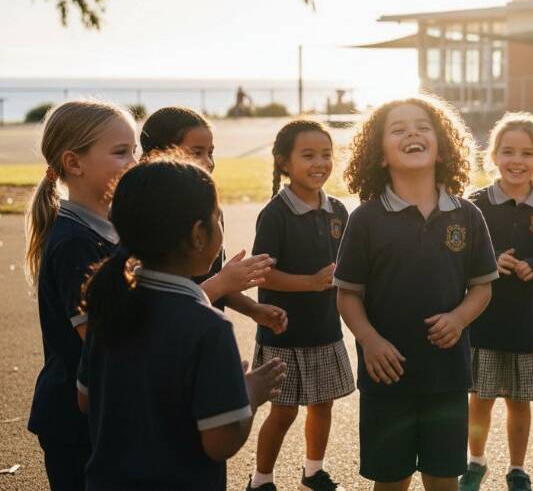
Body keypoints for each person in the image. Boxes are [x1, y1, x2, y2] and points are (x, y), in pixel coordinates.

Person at [76, 156, 286, 490]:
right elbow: (220, 443)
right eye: (217, 218)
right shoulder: (208, 328)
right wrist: (250, 392)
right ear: (198, 235)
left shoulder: (109, 305)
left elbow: (85, 400)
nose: (221, 226)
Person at [334, 96, 498, 491]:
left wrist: (460, 318)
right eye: (398, 128)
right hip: (387, 377)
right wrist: (370, 342)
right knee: (391, 480)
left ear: (442, 146)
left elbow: (482, 287)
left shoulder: (467, 215)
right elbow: (348, 295)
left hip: (448, 377)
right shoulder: (366, 219)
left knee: (443, 478)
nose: (412, 132)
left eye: (423, 126)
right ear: (379, 155)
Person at [25, 100, 138, 490]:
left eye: (135, 150)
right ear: (75, 163)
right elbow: (102, 339)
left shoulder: (112, 229)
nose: (134, 161)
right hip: (74, 422)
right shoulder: (74, 242)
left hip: (102, 413)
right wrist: (213, 289)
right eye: (121, 152)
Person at [460, 112, 533, 491]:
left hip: (526, 326)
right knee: (480, 399)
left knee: (519, 403)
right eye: (507, 151)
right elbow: (455, 259)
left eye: (527, 153)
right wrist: (489, 263)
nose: (517, 160)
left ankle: (517, 468)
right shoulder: (474, 205)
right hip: (483, 324)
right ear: (493, 156)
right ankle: (475, 462)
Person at [247, 120, 355, 491]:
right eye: (308, 155)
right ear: (284, 163)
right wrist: (309, 283)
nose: (320, 163)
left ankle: (313, 472)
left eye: (326, 154)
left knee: (323, 405)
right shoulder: (275, 214)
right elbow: (262, 274)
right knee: (283, 412)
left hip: (325, 329)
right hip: (284, 333)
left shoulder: (339, 211)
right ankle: (260, 480)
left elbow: (350, 266)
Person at [140, 106, 285, 333]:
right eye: (197, 153)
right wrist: (223, 283)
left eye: (211, 152)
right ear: (158, 155)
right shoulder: (143, 216)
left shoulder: (209, 208)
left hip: (205, 337)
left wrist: (253, 309)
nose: (208, 162)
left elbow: (216, 279)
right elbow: (161, 310)